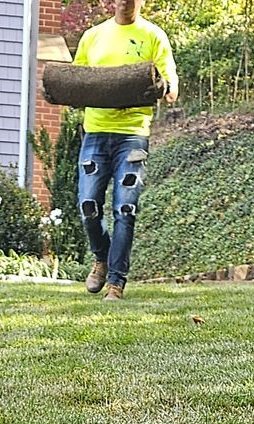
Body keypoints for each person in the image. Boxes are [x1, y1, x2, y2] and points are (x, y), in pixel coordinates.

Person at [72, 0, 178, 300]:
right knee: (88, 205)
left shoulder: (153, 36)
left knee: (125, 208)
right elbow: (77, 81)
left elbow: (171, 86)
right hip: (95, 133)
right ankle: (101, 258)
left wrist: (164, 86)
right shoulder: (93, 36)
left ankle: (116, 282)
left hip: (133, 136)